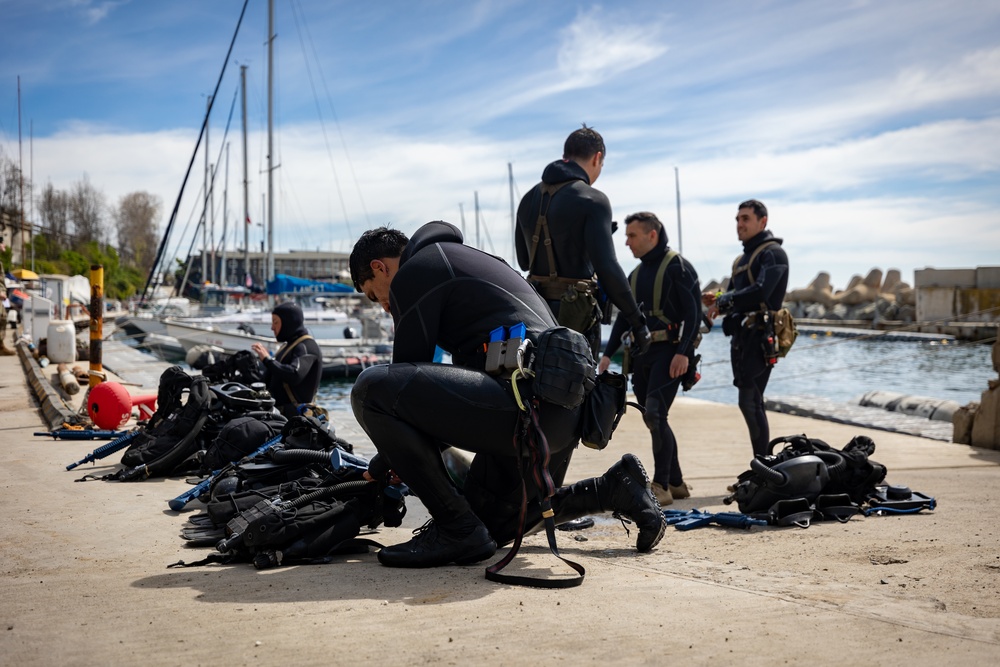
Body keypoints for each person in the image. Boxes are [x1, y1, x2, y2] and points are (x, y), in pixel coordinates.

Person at [349, 222, 666, 568]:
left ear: (380, 267)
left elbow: (401, 396)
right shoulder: (477, 261)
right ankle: (612, 488)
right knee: (492, 527)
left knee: (371, 390)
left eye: (372, 293)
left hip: (525, 405)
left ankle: (454, 528)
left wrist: (379, 467)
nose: (381, 305)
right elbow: (433, 414)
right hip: (560, 416)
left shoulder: (417, 270)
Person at [515, 125, 650, 359]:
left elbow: (525, 261)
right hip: (576, 321)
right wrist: (638, 323)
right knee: (576, 391)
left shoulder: (527, 199)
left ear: (566, 155)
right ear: (597, 158)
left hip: (536, 315)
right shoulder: (593, 200)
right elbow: (607, 268)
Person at [598, 212, 702, 506]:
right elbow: (624, 318)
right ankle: (678, 482)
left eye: (632, 235)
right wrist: (607, 355)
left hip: (670, 354)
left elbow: (694, 312)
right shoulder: (635, 274)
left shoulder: (678, 267)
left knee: (656, 415)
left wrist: (684, 352)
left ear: (651, 235)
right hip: (642, 356)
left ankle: (662, 486)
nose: (627, 242)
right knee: (653, 417)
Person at [702, 200, 789, 458]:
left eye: (746, 219)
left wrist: (724, 299)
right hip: (741, 338)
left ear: (763, 221)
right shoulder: (741, 260)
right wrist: (717, 298)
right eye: (738, 219)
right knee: (750, 402)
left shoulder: (773, 253)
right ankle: (763, 467)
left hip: (761, 338)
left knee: (750, 402)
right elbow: (736, 295)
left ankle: (764, 468)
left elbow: (762, 290)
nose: (740, 224)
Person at [251, 302, 323, 419]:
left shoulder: (306, 346)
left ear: (288, 322)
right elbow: (267, 380)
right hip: (277, 414)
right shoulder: (287, 347)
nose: (272, 327)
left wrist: (267, 360)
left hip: (295, 419)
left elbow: (295, 374)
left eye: (276, 322)